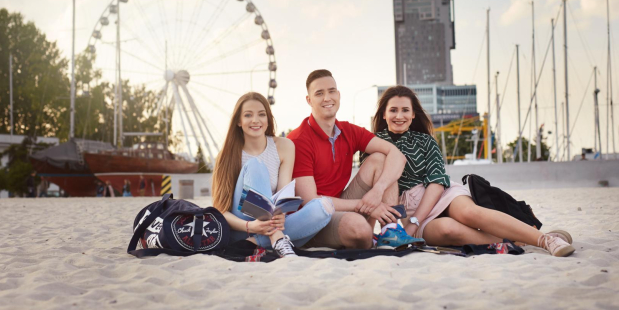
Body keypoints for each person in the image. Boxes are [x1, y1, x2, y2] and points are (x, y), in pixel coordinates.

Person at [366, 85, 575, 257]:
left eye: (405, 110)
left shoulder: (425, 141)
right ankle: (522, 239)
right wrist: (399, 226)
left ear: (413, 115)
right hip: (407, 209)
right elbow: (372, 186)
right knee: (448, 230)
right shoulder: (372, 144)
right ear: (384, 114)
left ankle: (545, 240)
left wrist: (414, 223)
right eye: (393, 110)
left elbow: (437, 181)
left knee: (469, 213)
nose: (399, 116)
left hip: (439, 194)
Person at [288, 69, 423, 250]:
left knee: (380, 159)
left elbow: (397, 155)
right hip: (313, 220)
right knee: (359, 229)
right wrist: (366, 206)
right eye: (319, 93)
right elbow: (311, 202)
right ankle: (368, 237)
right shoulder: (299, 139)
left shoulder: (349, 131)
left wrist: (378, 190)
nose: (327, 98)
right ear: (309, 100)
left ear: (338, 95)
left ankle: (390, 231)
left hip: (341, 205)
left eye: (331, 91)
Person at [212, 92, 334, 258]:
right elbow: (220, 211)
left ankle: (256, 243)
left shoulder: (285, 146)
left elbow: (283, 195)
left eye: (261, 114)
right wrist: (250, 226)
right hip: (243, 228)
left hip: (268, 229)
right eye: (248, 115)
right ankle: (276, 239)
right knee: (255, 165)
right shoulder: (227, 155)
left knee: (324, 207)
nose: (256, 120)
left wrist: (281, 216)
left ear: (268, 119)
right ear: (238, 122)